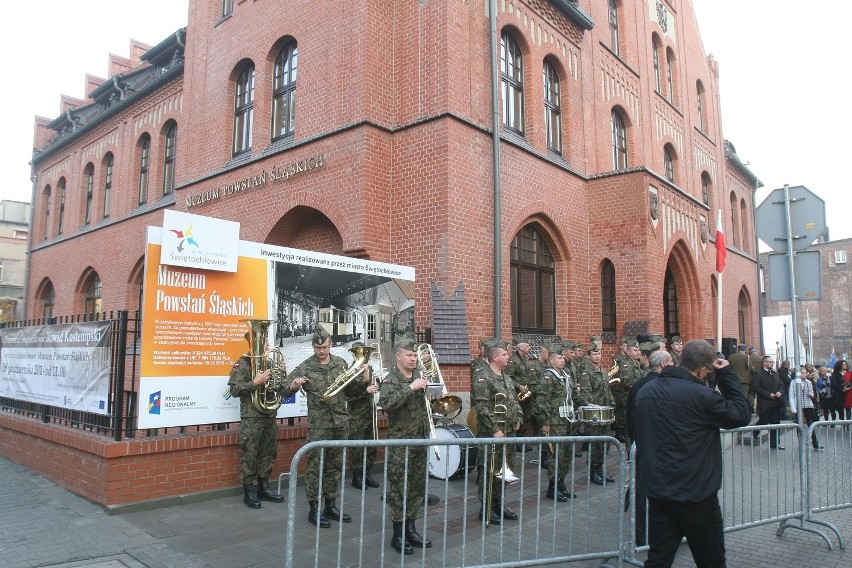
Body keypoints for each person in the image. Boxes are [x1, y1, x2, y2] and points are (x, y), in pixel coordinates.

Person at [634, 340, 751, 567]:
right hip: (695, 493)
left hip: (660, 490)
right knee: (711, 560)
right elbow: (741, 413)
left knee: (658, 558)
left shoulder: (646, 390)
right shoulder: (700, 395)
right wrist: (726, 374)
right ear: (702, 370)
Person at [287, 326, 370, 528]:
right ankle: (314, 509)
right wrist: (294, 385)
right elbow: (284, 386)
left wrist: (365, 377)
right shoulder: (306, 366)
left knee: (335, 467)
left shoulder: (341, 364)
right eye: (317, 347)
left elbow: (353, 391)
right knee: (316, 467)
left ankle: (331, 505)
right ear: (312, 346)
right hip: (319, 426)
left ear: (331, 344)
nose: (321, 351)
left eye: (324, 347)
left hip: (340, 424)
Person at [229, 333, 304, 509]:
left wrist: (285, 377)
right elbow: (235, 389)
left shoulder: (270, 363)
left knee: (268, 452)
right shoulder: (243, 364)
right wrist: (255, 382)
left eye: (268, 342)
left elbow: (280, 390)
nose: (268, 346)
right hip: (252, 418)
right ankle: (249, 490)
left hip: (269, 416)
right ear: (252, 344)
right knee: (250, 454)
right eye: (264, 343)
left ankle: (264, 487)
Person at [378, 335, 433, 555]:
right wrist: (410, 388)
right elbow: (387, 404)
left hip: (420, 440)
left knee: (417, 488)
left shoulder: (420, 374)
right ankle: (398, 534)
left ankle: (411, 528)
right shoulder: (390, 380)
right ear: (398, 355)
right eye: (409, 355)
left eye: (415, 355)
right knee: (399, 489)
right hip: (401, 445)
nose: (413, 359)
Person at [626, 349, 673, 546]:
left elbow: (629, 416)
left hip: (642, 445)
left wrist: (635, 439)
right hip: (663, 448)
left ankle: (641, 538)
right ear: (662, 364)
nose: (674, 365)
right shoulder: (667, 385)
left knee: (640, 493)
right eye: (671, 361)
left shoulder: (639, 385)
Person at [473, 339, 522, 525]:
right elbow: (482, 406)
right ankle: (486, 508)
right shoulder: (483, 377)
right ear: (494, 357)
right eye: (504, 354)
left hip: (509, 434)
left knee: (505, 471)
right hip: (492, 435)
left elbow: (515, 402)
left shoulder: (506, 378)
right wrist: (495, 430)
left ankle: (498, 504)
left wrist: (519, 418)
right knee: (489, 471)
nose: (508, 357)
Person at [535, 343, 578, 502]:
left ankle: (561, 484)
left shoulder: (566, 374)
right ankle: (552, 488)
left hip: (567, 420)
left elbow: (573, 395)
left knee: (566, 455)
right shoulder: (548, 376)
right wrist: (546, 422)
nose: (562, 360)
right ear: (551, 360)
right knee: (556, 455)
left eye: (562, 357)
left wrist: (586, 404)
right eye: (559, 358)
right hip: (554, 422)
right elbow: (542, 400)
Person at [577, 345, 616, 486]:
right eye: (594, 354)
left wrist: (612, 404)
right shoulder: (587, 373)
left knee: (604, 444)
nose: (597, 356)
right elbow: (586, 394)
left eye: (599, 354)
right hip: (594, 415)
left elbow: (607, 390)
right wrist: (593, 406)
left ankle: (600, 469)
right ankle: (593, 471)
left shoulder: (603, 371)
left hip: (605, 414)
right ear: (589, 356)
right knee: (595, 445)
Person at [348, 342, 381, 490]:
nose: (363, 358)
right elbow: (348, 397)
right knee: (357, 448)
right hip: (356, 416)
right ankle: (357, 476)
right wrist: (365, 391)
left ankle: (366, 474)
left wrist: (379, 383)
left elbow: (376, 386)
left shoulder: (371, 370)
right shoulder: (350, 372)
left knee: (371, 446)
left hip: (370, 413)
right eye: (360, 354)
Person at [610, 339, 642, 444]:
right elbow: (626, 381)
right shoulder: (626, 365)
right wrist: (641, 385)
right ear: (628, 352)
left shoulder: (636, 364)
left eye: (638, 350)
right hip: (627, 397)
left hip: (635, 397)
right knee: (628, 425)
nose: (638, 352)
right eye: (635, 350)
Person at [751, 356, 786, 449]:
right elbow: (755, 386)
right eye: (770, 362)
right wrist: (768, 394)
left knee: (775, 423)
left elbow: (781, 385)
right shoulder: (758, 373)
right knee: (763, 420)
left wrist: (780, 392)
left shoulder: (775, 373)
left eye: (772, 362)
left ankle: (774, 443)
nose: (772, 363)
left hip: (776, 402)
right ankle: (755, 432)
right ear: (764, 363)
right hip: (765, 402)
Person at [505, 338, 533, 447]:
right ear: (521, 347)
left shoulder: (525, 359)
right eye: (527, 346)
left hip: (527, 393)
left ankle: (521, 439)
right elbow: (508, 377)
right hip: (517, 394)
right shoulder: (513, 360)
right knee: (518, 417)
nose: (529, 348)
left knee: (527, 416)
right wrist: (519, 386)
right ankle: (516, 442)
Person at [788, 369, 821, 450]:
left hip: (808, 405)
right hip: (798, 405)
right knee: (799, 424)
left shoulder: (808, 382)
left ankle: (815, 442)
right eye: (802, 373)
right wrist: (793, 408)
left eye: (805, 373)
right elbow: (791, 396)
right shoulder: (793, 383)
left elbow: (812, 393)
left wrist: (811, 394)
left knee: (811, 423)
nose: (804, 374)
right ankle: (801, 443)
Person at [727, 345, 752, 410]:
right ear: (745, 350)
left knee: (735, 396)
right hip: (744, 380)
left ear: (738, 349)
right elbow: (750, 368)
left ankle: (735, 409)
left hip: (733, 379)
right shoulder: (746, 356)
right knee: (743, 396)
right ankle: (742, 410)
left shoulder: (731, 357)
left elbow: (729, 368)